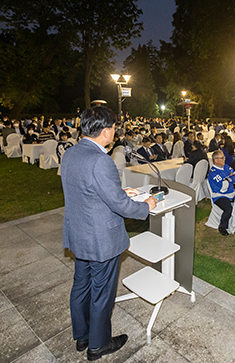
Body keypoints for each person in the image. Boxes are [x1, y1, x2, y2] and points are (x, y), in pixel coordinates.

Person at [61, 107, 157, 360]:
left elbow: (86, 191)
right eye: (114, 127)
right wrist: (145, 206)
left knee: (81, 286)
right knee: (102, 293)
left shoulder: (71, 153)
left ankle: (82, 336)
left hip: (79, 233)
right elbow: (120, 206)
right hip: (101, 239)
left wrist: (119, 191)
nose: (115, 132)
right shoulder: (100, 160)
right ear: (106, 131)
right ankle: (98, 345)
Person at [208, 150, 235, 236]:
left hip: (231, 193)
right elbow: (223, 187)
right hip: (219, 196)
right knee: (228, 209)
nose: (225, 159)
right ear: (216, 160)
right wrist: (230, 177)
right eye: (222, 158)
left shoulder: (226, 166)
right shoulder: (213, 173)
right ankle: (222, 227)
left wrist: (228, 178)